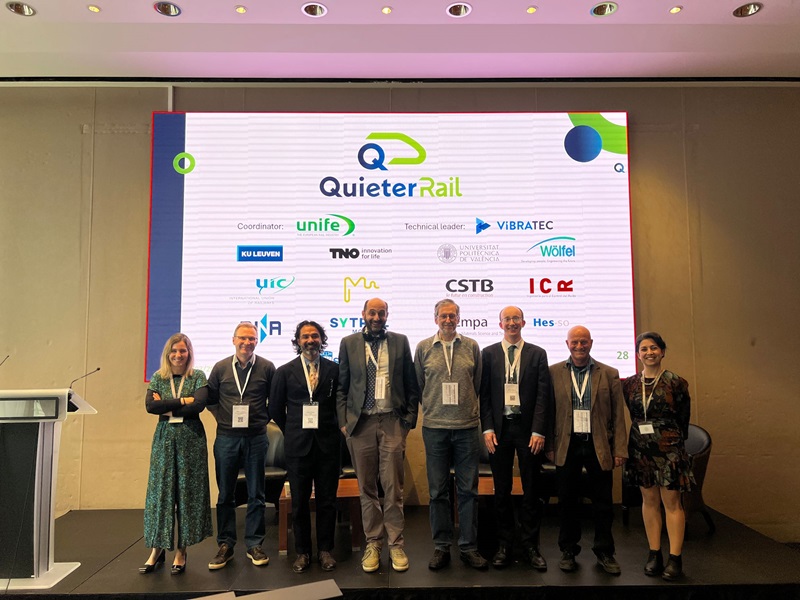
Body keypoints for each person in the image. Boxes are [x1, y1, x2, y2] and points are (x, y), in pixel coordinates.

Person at [337, 298, 420, 573]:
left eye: (381, 313)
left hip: (393, 421)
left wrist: (408, 420)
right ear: (363, 314)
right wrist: (344, 423)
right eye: (372, 312)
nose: (376, 317)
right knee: (367, 488)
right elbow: (342, 386)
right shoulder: (349, 343)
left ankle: (396, 543)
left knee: (393, 487)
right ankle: (373, 542)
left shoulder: (400, 341)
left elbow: (410, 382)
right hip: (360, 424)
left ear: (387, 315)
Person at [546, 325, 627, 575]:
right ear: (567, 344)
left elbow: (618, 415)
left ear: (591, 343)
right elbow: (548, 412)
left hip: (598, 444)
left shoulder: (609, 373)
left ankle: (604, 551)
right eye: (575, 342)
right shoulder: (553, 372)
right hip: (566, 444)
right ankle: (568, 550)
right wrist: (549, 446)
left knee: (603, 502)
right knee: (567, 500)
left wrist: (620, 449)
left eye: (584, 342)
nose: (579, 346)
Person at [415, 299, 487, 571]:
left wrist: (466, 408)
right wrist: (433, 408)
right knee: (438, 491)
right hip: (435, 429)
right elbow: (419, 385)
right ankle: (441, 546)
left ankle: (468, 547)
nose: (448, 320)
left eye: (452, 316)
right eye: (443, 316)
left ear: (459, 318)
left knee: (468, 490)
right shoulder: (423, 347)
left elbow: (477, 384)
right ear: (435, 319)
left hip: (467, 428)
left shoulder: (472, 346)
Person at [480, 306, 552, 570]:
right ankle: (504, 544)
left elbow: (543, 395)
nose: (512, 323)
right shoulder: (488, 353)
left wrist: (539, 430)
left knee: (532, 489)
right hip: (499, 431)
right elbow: (484, 395)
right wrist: (487, 428)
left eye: (516, 318)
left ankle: (531, 545)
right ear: (500, 324)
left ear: (523, 322)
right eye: (507, 319)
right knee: (501, 489)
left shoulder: (537, 353)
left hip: (528, 431)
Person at [270, 321, 340, 573]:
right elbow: (275, 408)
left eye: (315, 336)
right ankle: (302, 552)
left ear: (322, 339)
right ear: (298, 341)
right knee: (299, 501)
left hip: (328, 445)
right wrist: (292, 431)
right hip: (297, 446)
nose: (310, 340)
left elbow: (340, 405)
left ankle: (325, 550)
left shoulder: (334, 370)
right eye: (305, 336)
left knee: (327, 500)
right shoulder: (284, 371)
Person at [623, 331, 694, 581]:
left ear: (662, 351)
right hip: (640, 448)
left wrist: (673, 441)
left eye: (653, 348)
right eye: (644, 349)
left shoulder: (676, 382)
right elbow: (633, 413)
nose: (649, 353)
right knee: (649, 500)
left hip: (669, 448)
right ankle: (654, 553)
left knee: (672, 502)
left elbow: (684, 418)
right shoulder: (630, 384)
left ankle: (675, 558)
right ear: (638, 354)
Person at [206, 321, 276, 570]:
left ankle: (254, 544)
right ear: (234, 340)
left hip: (256, 438)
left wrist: (261, 420)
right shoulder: (220, 367)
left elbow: (274, 401)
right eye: (243, 338)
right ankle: (225, 544)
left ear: (257, 341)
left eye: (252, 339)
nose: (247, 343)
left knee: (257, 493)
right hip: (226, 438)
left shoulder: (267, 367)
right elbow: (211, 400)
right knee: (226, 493)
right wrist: (224, 420)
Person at [141, 333, 212, 575]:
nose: (178, 355)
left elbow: (198, 406)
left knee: (187, 495)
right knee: (160, 494)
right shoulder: (158, 377)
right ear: (167, 354)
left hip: (191, 441)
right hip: (164, 440)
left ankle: (182, 551)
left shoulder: (198, 376)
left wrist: (167, 404)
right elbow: (151, 406)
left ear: (189, 353)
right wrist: (183, 400)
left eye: (182, 351)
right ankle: (157, 549)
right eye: (174, 351)